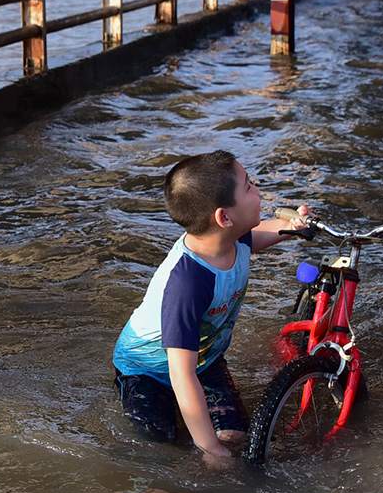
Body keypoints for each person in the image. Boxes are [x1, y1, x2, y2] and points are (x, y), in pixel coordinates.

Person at [113, 151, 307, 462]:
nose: (258, 191)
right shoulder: (188, 282)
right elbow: (181, 374)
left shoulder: (231, 238)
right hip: (146, 370)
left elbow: (256, 237)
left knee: (235, 437)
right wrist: (210, 448)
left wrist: (292, 227)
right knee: (162, 446)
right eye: (249, 186)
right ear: (224, 218)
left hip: (205, 359)